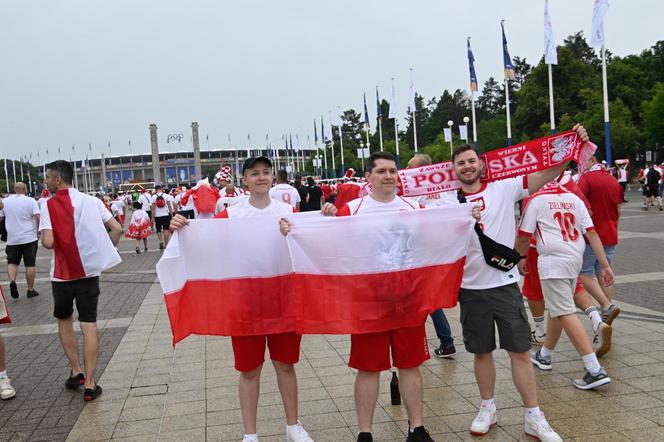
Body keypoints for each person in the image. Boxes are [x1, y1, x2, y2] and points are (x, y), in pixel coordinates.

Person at [170, 156, 336, 442]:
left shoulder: (287, 210)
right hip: (245, 302)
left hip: (283, 298)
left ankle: (293, 426)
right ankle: (250, 433)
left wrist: (327, 215)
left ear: (272, 177)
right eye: (254, 173)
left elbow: (309, 240)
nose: (261, 177)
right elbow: (205, 240)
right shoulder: (231, 214)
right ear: (244, 180)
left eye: (266, 173)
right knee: (249, 370)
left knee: (285, 364)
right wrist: (182, 226)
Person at [448, 125, 588, 441]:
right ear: (454, 170)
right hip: (470, 288)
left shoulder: (503, 188)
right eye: (461, 163)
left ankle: (533, 416)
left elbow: (545, 176)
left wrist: (570, 147)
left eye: (472, 161)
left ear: (481, 164)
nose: (468, 167)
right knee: (480, 352)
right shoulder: (447, 200)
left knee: (520, 351)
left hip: (505, 283)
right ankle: (487, 407)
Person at [333, 152, 435, 442]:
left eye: (392, 170)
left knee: (409, 364)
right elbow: (327, 241)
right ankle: (365, 432)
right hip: (367, 302)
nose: (388, 176)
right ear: (368, 177)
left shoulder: (413, 207)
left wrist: (467, 217)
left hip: (407, 300)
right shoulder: (352, 209)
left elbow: (437, 235)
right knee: (368, 368)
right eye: (381, 171)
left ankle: (416, 428)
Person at [515, 181, 614, 390]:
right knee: (558, 309)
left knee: (564, 312)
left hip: (552, 261)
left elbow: (524, 235)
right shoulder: (573, 198)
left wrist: (519, 257)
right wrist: (604, 265)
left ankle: (594, 369)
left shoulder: (536, 200)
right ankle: (545, 355)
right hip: (573, 258)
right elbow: (592, 233)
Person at [39, 160, 122, 401]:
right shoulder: (93, 201)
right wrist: (103, 254)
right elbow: (116, 228)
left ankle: (76, 371)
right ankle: (91, 384)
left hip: (62, 275)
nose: (45, 181)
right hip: (88, 273)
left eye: (47, 177)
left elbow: (49, 242)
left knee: (65, 320)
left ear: (57, 179)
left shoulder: (48, 205)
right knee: (89, 324)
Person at [406, 153, 456, 357]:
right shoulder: (444, 190)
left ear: (422, 169)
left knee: (422, 299)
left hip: (423, 251)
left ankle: (440, 341)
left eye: (410, 165)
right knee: (428, 299)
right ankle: (444, 341)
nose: (406, 168)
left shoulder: (420, 190)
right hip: (433, 251)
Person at [577, 154, 623, 329]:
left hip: (592, 234)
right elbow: (619, 209)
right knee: (605, 274)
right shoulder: (613, 179)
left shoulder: (586, 179)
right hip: (611, 233)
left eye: (582, 162)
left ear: (591, 160)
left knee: (584, 273)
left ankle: (606, 306)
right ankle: (607, 313)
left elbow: (582, 208)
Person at [0, 182, 41, 299]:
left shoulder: (6, 201)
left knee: (12, 262)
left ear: (14, 189)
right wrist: (38, 230)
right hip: (29, 237)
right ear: (24, 189)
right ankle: (30, 289)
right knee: (30, 264)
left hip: (12, 238)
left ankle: (12, 281)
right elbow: (37, 217)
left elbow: (1, 218)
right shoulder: (30, 201)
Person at [151, 185, 175, 250]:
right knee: (166, 229)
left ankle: (160, 241)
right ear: (161, 189)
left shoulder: (153, 197)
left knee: (158, 229)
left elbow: (153, 208)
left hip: (157, 216)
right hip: (166, 215)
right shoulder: (166, 196)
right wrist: (172, 215)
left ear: (155, 190)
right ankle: (166, 243)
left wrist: (152, 217)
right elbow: (169, 206)